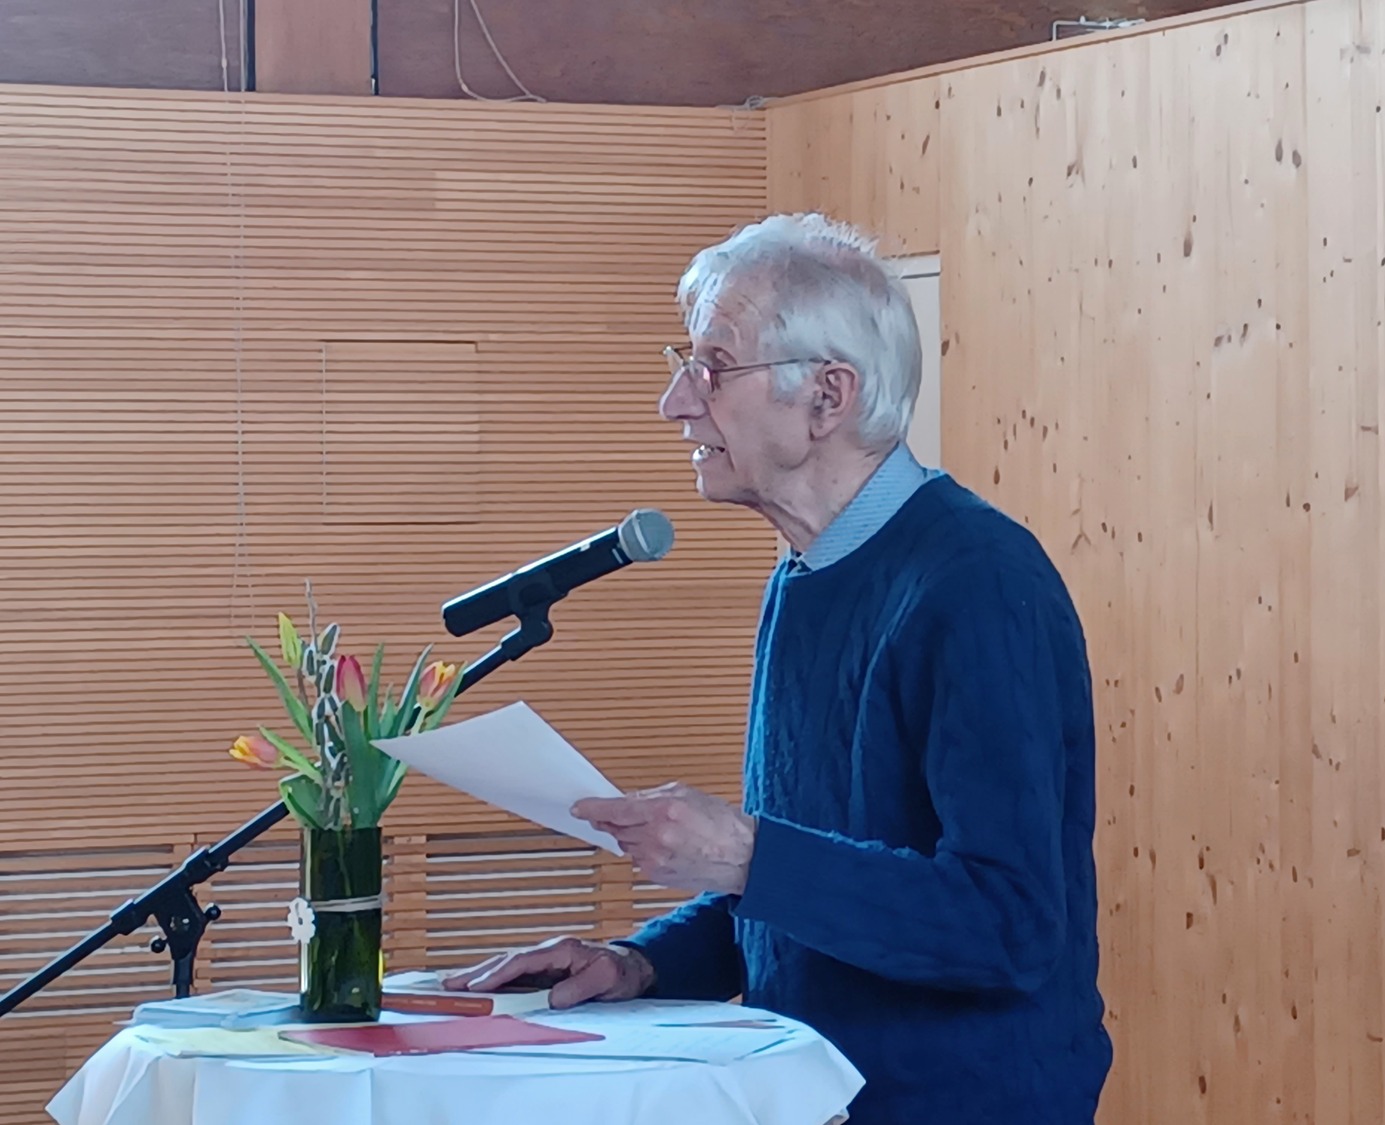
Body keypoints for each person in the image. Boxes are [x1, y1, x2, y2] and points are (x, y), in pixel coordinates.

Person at [445, 212, 1112, 1122]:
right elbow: (808, 896)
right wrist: (642, 962)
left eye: (713, 366)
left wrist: (747, 853)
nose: (676, 402)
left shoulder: (980, 584)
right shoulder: (802, 576)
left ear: (827, 398)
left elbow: (1008, 922)